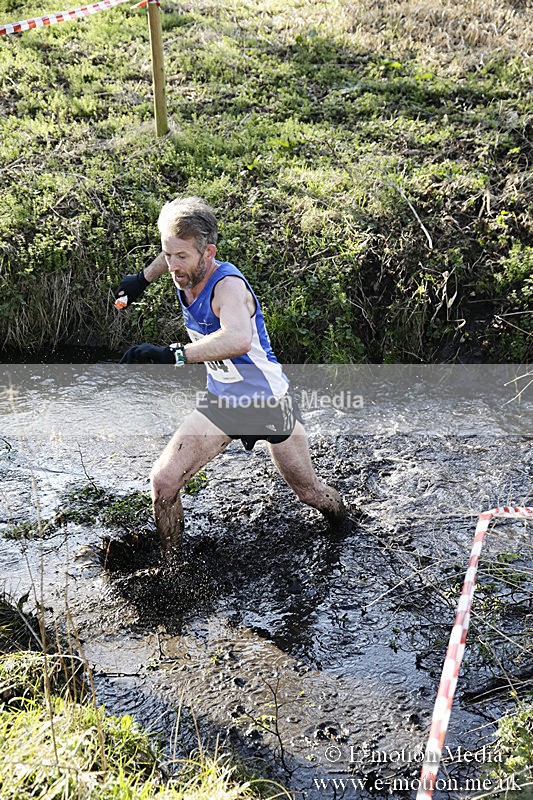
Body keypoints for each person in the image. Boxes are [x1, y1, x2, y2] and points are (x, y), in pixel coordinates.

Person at [116, 196, 347, 557]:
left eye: (182, 258)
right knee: (163, 483)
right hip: (222, 401)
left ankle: (345, 525)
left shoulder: (228, 287)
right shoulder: (181, 264)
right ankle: (173, 571)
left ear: (208, 253)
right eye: (168, 255)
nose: (174, 266)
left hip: (267, 403)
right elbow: (170, 255)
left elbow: (237, 339)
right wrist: (141, 280)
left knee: (308, 493)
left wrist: (173, 354)